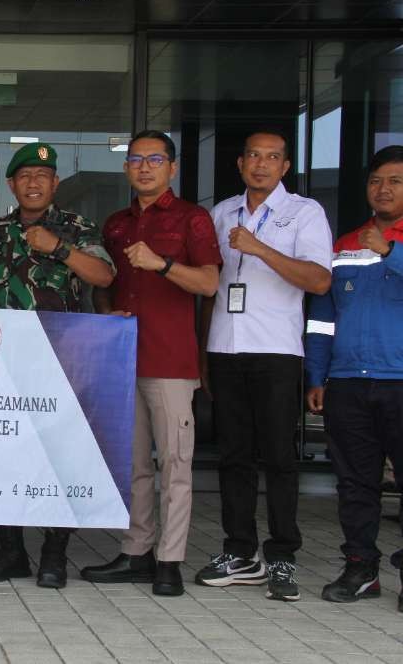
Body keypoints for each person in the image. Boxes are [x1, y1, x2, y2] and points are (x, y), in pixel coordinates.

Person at [80, 131, 221, 596]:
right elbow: (103, 284)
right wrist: (105, 313)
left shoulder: (192, 219)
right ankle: (136, 550)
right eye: (136, 160)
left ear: (172, 168)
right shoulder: (116, 223)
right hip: (124, 358)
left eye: (155, 159)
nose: (144, 167)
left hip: (170, 360)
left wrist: (162, 265)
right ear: (126, 169)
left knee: (175, 465)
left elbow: (207, 283)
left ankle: (170, 559)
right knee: (135, 464)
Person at [0, 142, 115, 589]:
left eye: (43, 176)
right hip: (3, 362)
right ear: (11, 184)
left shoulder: (76, 227)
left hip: (60, 359)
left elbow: (104, 276)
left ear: (55, 184)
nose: (33, 183)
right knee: (5, 453)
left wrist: (60, 249)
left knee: (60, 458)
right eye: (24, 176)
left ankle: (55, 553)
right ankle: (11, 550)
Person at [197, 129, 332, 602]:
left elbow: (318, 279)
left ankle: (282, 554)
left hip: (276, 351)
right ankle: (239, 551)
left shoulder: (304, 213)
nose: (261, 164)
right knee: (233, 456)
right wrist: (202, 356)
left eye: (272, 157)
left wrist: (260, 249)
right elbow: (208, 287)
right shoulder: (221, 213)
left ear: (285, 166)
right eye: (253, 155)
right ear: (240, 163)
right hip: (225, 348)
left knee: (278, 457)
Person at [306, 145, 403, 610]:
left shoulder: (389, 243)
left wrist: (392, 252)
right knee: (355, 483)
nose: (383, 190)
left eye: (395, 182)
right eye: (376, 181)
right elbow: (322, 318)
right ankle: (361, 567)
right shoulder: (344, 244)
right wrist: (317, 374)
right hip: (347, 383)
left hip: (400, 380)